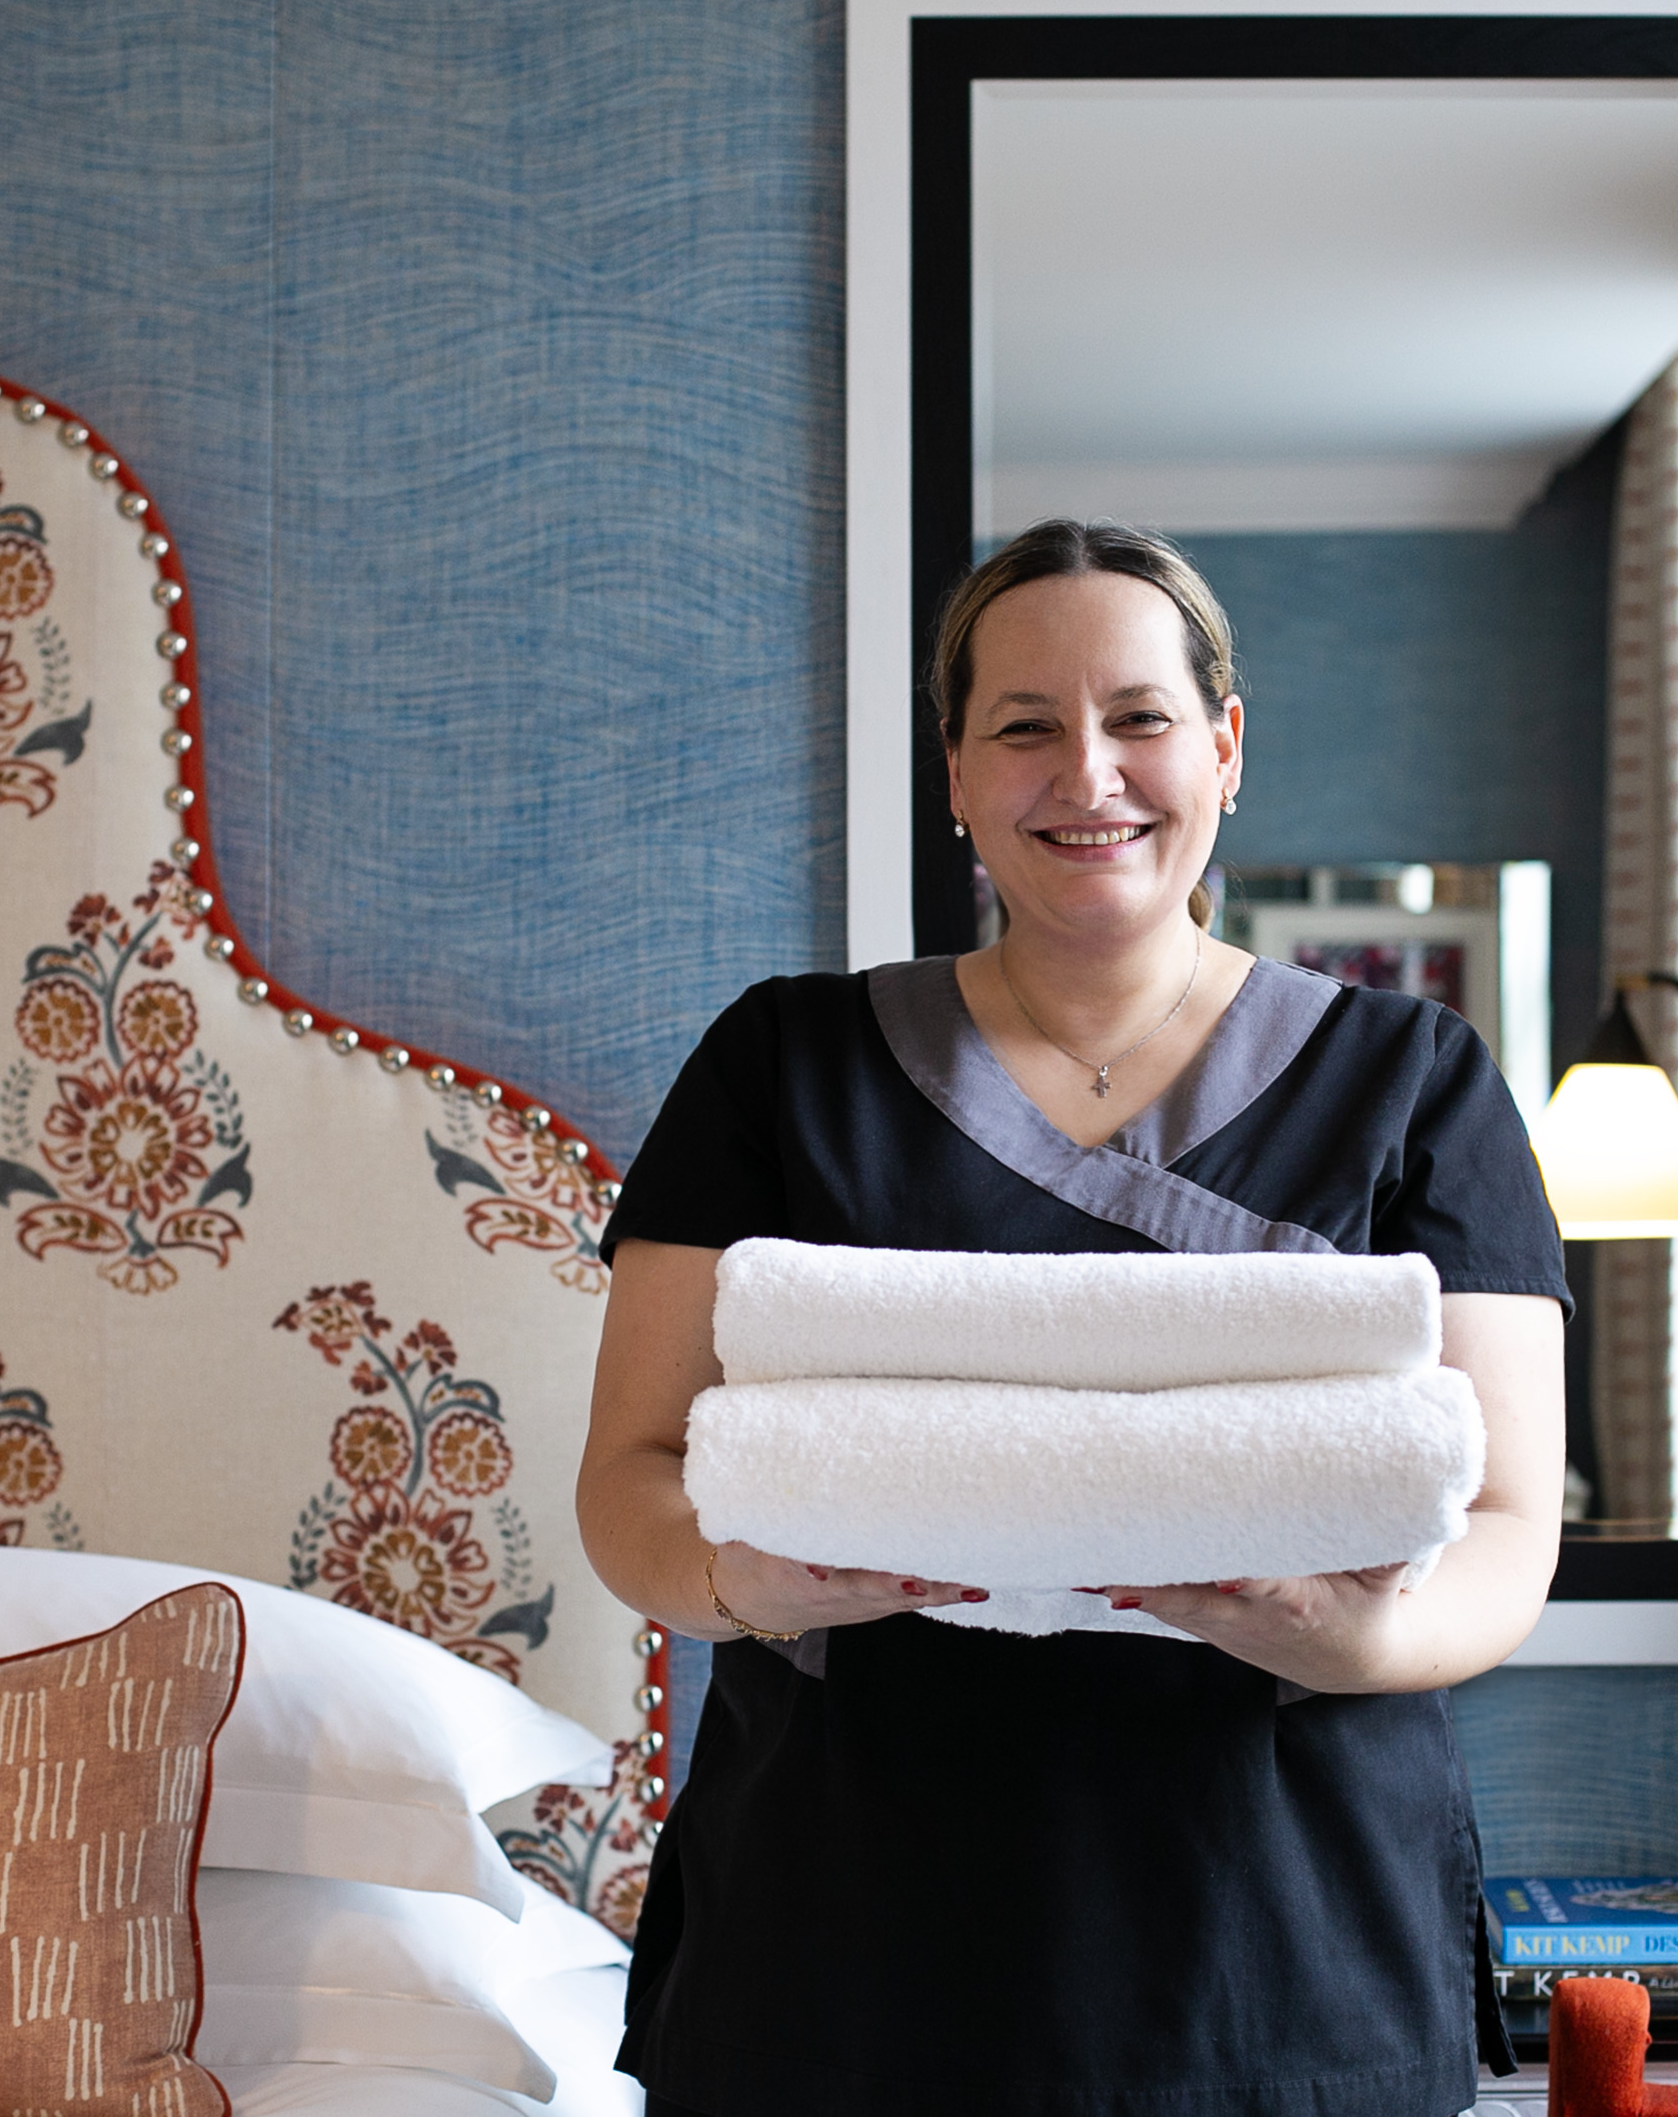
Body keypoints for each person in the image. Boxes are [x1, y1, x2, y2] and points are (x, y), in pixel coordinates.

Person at [575, 519, 1571, 2117]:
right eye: (1024, 726)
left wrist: (1352, 1631)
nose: (1086, 773)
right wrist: (733, 1584)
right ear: (957, 772)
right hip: (848, 1920)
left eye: (1142, 719)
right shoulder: (785, 1064)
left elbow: (1511, 1528)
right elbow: (628, 1472)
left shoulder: (1413, 1079)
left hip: (1282, 1920)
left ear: (1226, 749)